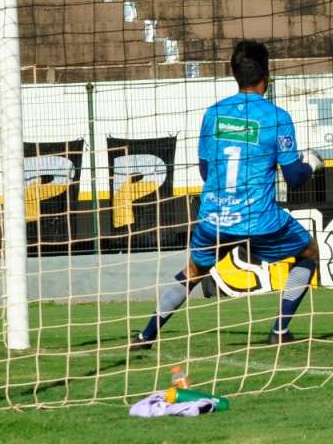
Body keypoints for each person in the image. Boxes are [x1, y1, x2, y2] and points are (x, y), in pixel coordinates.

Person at [132, 40, 322, 349]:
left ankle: (146, 335)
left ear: (235, 74)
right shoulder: (276, 117)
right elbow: (294, 178)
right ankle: (280, 330)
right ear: (267, 74)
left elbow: (206, 171)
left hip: (215, 216)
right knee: (309, 252)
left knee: (193, 271)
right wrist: (311, 163)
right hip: (260, 220)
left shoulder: (213, 114)